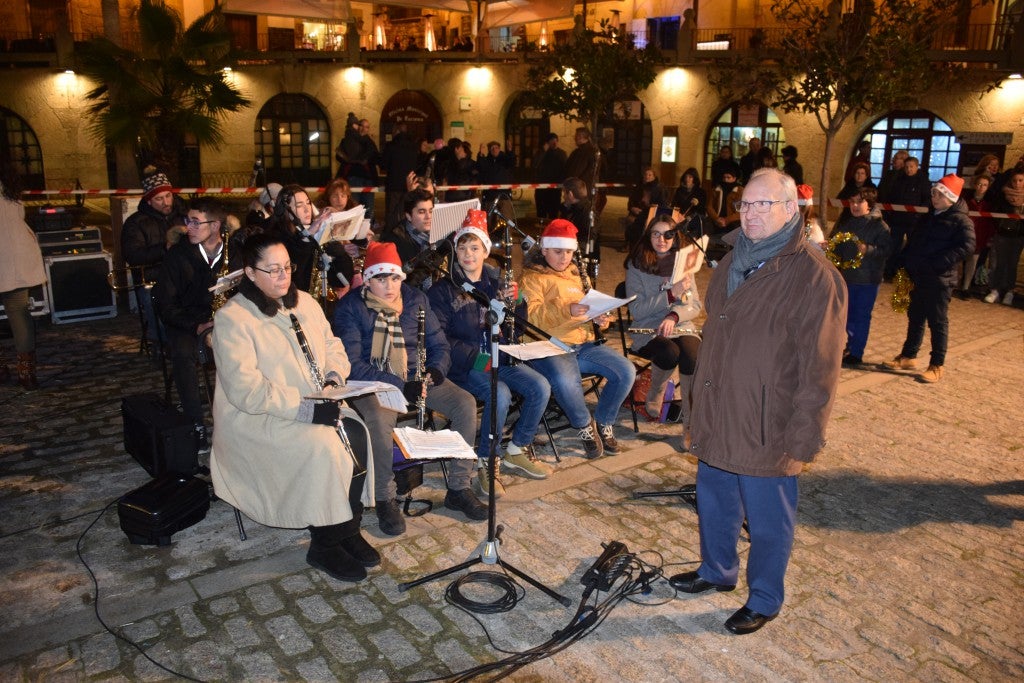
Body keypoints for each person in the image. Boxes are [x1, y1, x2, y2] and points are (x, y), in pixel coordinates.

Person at [669, 168, 846, 635]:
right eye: (745, 204)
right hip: (721, 409)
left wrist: (806, 434)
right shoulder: (731, 261)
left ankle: (765, 597)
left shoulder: (813, 277)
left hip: (770, 423)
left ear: (791, 210)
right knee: (715, 502)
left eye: (763, 204)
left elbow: (821, 366)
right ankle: (717, 571)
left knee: (768, 521)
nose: (750, 213)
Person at [210, 232, 376, 583]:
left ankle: (347, 526)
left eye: (287, 267)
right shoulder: (233, 319)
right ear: (250, 273)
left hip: (316, 402)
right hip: (260, 418)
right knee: (325, 448)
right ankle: (325, 543)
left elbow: (332, 344)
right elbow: (246, 391)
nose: (283, 276)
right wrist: (306, 411)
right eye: (272, 270)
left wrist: (334, 376)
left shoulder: (306, 303)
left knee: (359, 435)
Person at [333, 242, 487, 535]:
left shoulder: (415, 299)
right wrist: (401, 385)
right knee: (379, 422)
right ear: (367, 280)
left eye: (394, 278)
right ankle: (384, 497)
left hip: (417, 378)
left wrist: (436, 371)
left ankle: (458, 487)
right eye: (380, 278)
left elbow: (439, 344)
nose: (389, 286)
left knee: (465, 403)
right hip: (373, 382)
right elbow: (351, 364)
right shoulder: (351, 307)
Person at [427, 211, 553, 496]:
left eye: (475, 248)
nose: (468, 254)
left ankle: (517, 449)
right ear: (454, 251)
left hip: (500, 355)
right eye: (462, 247)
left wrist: (517, 303)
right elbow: (441, 339)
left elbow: (514, 327)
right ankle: (487, 459)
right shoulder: (443, 290)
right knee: (501, 394)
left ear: (485, 250)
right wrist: (478, 358)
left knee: (540, 386)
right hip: (466, 365)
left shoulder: (496, 281)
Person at [520, 220, 636, 458]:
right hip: (549, 346)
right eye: (558, 251)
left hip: (581, 343)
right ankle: (585, 426)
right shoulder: (532, 278)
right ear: (544, 250)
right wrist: (567, 310)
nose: (564, 258)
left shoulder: (576, 275)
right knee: (564, 381)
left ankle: (604, 421)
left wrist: (600, 317)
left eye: (569, 252)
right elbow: (531, 318)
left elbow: (587, 308)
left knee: (626, 370)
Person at [153, 196, 231, 448]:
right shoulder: (177, 255)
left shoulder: (233, 252)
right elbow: (166, 305)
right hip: (186, 322)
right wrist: (196, 326)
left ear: (216, 225)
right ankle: (195, 423)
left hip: (224, 319)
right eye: (188, 221)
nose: (190, 228)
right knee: (183, 354)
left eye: (196, 222)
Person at [881, 174, 974, 383]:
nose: (934, 197)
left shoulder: (961, 220)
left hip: (939, 279)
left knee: (937, 322)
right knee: (915, 317)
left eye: (940, 194)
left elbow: (967, 246)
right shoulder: (928, 216)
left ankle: (936, 365)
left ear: (950, 197)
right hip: (918, 275)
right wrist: (902, 260)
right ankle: (908, 356)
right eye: (934, 193)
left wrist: (939, 263)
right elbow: (914, 241)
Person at [624, 215, 702, 424]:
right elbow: (637, 310)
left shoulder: (684, 262)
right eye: (656, 234)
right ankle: (656, 391)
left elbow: (694, 304)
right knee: (669, 352)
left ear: (675, 237)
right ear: (648, 236)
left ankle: (690, 415)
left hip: (680, 323)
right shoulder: (636, 265)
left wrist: (674, 316)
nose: (661, 239)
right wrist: (669, 295)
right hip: (647, 327)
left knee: (691, 355)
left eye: (667, 235)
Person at [121, 165, 187, 343]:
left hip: (183, 276)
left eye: (168, 196)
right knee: (161, 305)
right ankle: (165, 345)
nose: (166, 202)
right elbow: (132, 255)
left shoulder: (183, 215)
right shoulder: (135, 223)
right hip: (153, 279)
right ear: (149, 201)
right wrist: (164, 248)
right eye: (159, 199)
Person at [831, 187, 892, 366]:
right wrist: (831, 247)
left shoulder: (880, 226)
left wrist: (869, 250)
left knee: (862, 316)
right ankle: (850, 346)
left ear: (869, 204)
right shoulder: (849, 223)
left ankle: (857, 352)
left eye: (859, 202)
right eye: (852, 202)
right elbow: (840, 245)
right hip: (849, 277)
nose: (855, 206)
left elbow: (887, 250)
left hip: (868, 279)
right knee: (848, 315)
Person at [0, 159, 46, 390]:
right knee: (19, 313)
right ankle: (27, 374)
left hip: (10, 256)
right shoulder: (9, 187)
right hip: (17, 254)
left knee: (18, 312)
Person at [880, 156, 932, 280]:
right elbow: (891, 197)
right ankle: (890, 272)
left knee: (913, 247)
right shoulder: (898, 180)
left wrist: (918, 215)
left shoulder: (923, 181)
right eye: (906, 167)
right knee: (893, 247)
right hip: (897, 220)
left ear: (916, 167)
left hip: (914, 222)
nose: (909, 169)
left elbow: (927, 200)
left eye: (911, 167)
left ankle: (909, 273)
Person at [379, 188, 437, 290]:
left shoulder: (438, 236)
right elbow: (402, 283)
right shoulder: (395, 242)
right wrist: (430, 263)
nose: (428, 216)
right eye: (422, 212)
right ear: (409, 216)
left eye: (431, 211)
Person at [983, 169, 1024, 306]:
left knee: (1012, 264)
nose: (1017, 184)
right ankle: (994, 290)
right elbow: (995, 212)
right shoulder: (1003, 195)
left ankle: (1009, 291)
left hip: (1018, 235)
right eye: (1015, 180)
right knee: (996, 263)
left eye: (1020, 180)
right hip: (1002, 233)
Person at [959, 174, 994, 298]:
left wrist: (989, 237)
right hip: (964, 234)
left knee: (972, 263)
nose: (981, 187)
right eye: (979, 184)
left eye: (984, 185)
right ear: (975, 185)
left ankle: (966, 288)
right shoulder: (966, 200)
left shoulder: (989, 203)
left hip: (980, 235)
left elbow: (990, 222)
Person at [382, 122, 421, 228]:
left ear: (397, 131)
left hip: (394, 185)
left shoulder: (391, 146)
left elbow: (384, 165)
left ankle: (391, 234)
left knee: (392, 212)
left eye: (394, 131)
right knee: (408, 211)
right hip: (410, 184)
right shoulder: (413, 146)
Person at [625, 167, 668, 251]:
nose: (647, 176)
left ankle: (642, 245)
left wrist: (650, 210)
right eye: (646, 174)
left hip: (651, 213)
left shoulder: (659, 188)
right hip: (637, 211)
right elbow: (631, 200)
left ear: (654, 176)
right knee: (630, 220)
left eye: (650, 175)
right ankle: (630, 243)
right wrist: (632, 208)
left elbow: (662, 204)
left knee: (645, 223)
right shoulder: (639, 186)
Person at [534, 133, 567, 220]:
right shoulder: (542, 153)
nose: (554, 143)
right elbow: (535, 164)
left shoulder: (562, 153)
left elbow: (564, 168)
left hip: (555, 188)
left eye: (556, 141)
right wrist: (543, 152)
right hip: (542, 187)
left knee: (554, 212)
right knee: (541, 211)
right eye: (552, 141)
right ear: (547, 143)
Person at [476, 139, 516, 210]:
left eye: (496, 148)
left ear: (499, 149)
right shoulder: (486, 161)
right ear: (489, 150)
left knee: (505, 218)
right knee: (490, 218)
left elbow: (512, 162)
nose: (495, 150)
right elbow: (480, 167)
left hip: (504, 195)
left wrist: (510, 151)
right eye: (492, 148)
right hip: (490, 196)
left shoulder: (505, 159)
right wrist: (481, 155)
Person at [671, 167, 709, 239]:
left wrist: (697, 204)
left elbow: (702, 210)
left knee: (695, 222)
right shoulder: (679, 190)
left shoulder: (701, 192)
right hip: (680, 215)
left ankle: (692, 240)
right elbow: (674, 205)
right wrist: (678, 214)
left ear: (695, 179)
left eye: (690, 177)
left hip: (694, 216)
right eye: (686, 177)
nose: (687, 179)